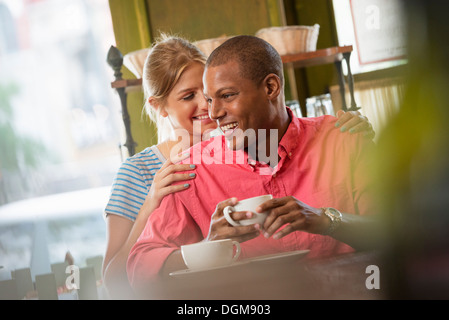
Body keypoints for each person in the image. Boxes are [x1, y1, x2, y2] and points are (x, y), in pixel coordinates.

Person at [102, 35, 374, 298]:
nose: (212, 113)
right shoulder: (188, 170)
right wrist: (210, 247)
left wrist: (326, 220)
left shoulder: (342, 139)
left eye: (227, 95)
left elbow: (399, 231)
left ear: (270, 88)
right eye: (209, 99)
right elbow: (139, 266)